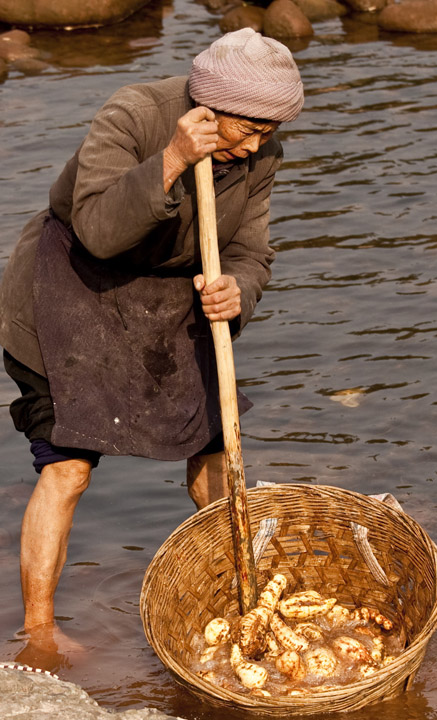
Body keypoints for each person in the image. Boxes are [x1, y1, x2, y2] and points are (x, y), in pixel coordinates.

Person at [0, 28, 303, 658]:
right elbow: (98, 232)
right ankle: (39, 630)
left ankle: (238, 601)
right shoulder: (134, 114)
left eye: (264, 133)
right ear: (208, 106)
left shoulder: (259, 150)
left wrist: (237, 292)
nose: (251, 146)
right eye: (240, 130)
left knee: (213, 453)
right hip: (72, 289)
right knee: (68, 465)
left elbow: (251, 251)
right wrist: (169, 158)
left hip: (166, 303)